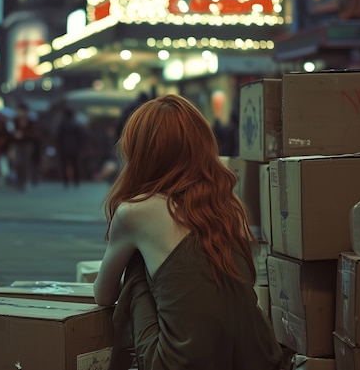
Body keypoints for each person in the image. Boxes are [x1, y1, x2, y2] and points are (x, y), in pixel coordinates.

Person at [93, 94, 283, 370]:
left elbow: (104, 295)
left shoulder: (135, 211)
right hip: (256, 357)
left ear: (141, 152)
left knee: (135, 264)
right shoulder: (228, 203)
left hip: (182, 363)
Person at [11, 101, 39, 191]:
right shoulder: (15, 120)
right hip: (18, 144)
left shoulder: (31, 121)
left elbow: (34, 133)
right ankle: (20, 181)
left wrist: (23, 134)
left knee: (26, 163)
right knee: (18, 162)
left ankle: (25, 180)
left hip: (27, 143)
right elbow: (11, 131)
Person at [55, 107, 85, 188]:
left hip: (64, 147)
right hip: (75, 148)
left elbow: (58, 136)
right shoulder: (76, 123)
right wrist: (80, 146)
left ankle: (66, 181)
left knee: (64, 165)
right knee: (75, 164)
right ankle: (77, 181)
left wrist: (58, 145)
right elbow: (81, 136)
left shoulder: (62, 124)